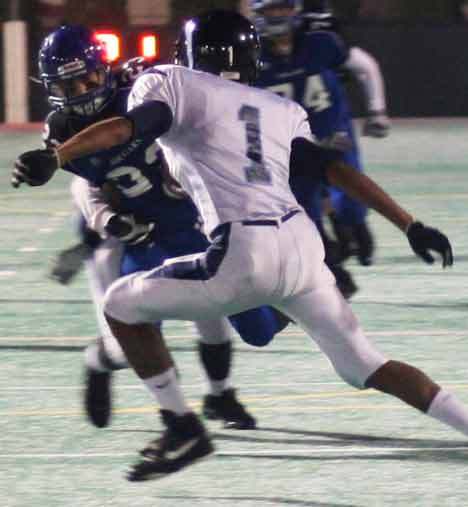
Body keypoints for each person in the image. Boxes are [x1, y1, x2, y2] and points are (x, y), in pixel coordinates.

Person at [13, 11, 465, 486]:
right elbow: (334, 169)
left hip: (242, 251)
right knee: (366, 364)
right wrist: (411, 225)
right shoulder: (278, 107)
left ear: (189, 57)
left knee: (120, 304)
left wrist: (56, 155)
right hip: (301, 249)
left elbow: (127, 128)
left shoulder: (174, 83)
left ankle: (182, 427)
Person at [35, 25, 256, 430]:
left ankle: (220, 395)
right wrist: (109, 223)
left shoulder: (140, 92)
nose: (81, 92)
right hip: (122, 233)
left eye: (86, 78)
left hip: (179, 219)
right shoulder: (64, 130)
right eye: (68, 86)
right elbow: (86, 186)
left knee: (212, 311)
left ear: (105, 70)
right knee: (126, 343)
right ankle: (99, 361)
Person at [251, 0, 389, 268]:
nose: (278, 15)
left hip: (330, 135)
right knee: (303, 218)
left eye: (283, 8)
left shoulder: (321, 40)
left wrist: (377, 111)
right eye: (271, 9)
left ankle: (351, 226)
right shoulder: (249, 54)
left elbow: (363, 65)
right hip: (289, 147)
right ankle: (328, 262)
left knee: (353, 203)